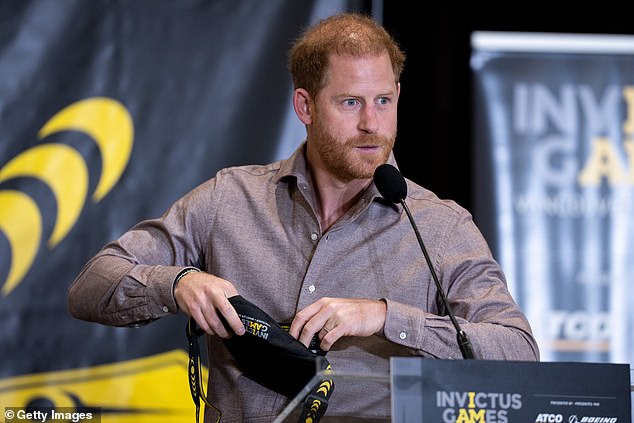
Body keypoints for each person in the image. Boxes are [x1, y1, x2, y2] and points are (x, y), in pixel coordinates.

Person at [67, 12, 539, 423]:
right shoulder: (229, 199)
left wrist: (385, 317)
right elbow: (90, 287)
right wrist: (177, 284)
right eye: (351, 103)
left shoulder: (441, 225)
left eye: (383, 101)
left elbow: (518, 354)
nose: (372, 124)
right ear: (305, 106)